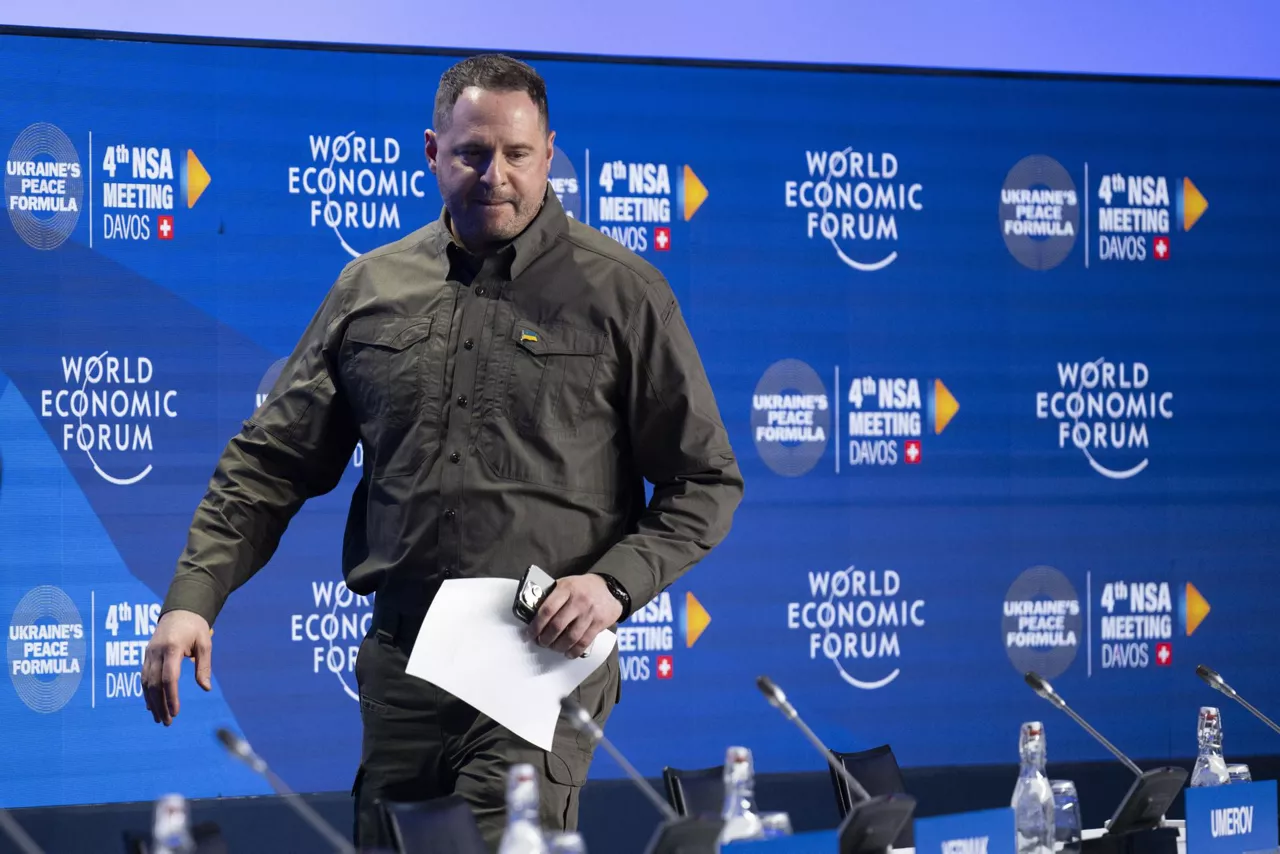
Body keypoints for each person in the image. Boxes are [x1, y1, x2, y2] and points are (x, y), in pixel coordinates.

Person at [140, 53, 743, 849]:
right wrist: (194, 595)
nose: (496, 175)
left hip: (541, 662)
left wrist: (611, 586)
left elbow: (706, 482)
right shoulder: (371, 288)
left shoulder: (622, 294)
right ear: (432, 152)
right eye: (472, 154)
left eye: (519, 155)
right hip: (404, 663)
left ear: (549, 152)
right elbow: (271, 460)